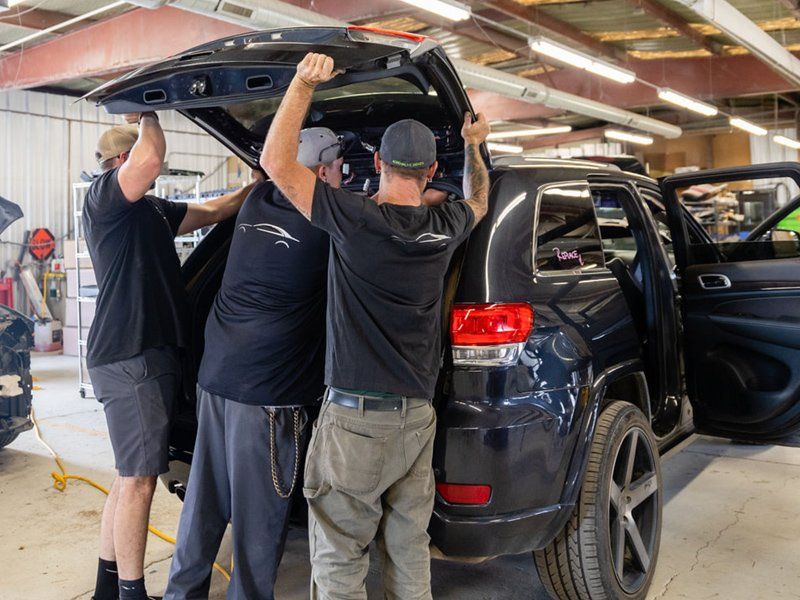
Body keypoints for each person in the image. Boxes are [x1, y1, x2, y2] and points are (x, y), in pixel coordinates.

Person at [261, 53, 491, 599]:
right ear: (432, 172)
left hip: (356, 424)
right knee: (408, 551)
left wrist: (301, 84)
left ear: (379, 163)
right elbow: (479, 196)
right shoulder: (446, 225)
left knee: (340, 557)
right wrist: (476, 145)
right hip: (416, 419)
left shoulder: (355, 217)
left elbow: (275, 162)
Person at [163, 127, 344, 600]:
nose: (343, 177)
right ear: (323, 171)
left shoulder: (256, 201)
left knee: (202, 509)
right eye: (340, 168)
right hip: (268, 396)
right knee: (257, 527)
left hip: (215, 379)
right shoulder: (327, 221)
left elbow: (266, 173)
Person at [84, 112, 258, 600]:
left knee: (126, 477)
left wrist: (261, 181)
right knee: (139, 481)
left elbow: (218, 210)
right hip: (129, 356)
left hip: (151, 355)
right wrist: (149, 114)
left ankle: (107, 587)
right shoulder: (105, 199)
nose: (156, 170)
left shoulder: (153, 210)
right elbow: (153, 154)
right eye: (137, 162)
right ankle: (132, 592)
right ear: (121, 162)